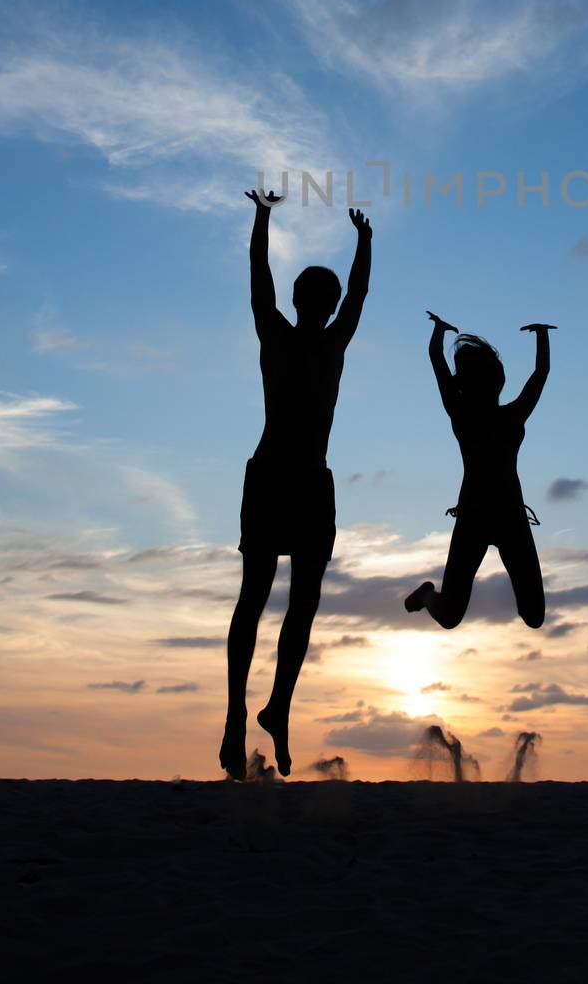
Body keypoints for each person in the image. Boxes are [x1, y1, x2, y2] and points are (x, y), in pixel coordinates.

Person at [219, 192, 372, 779]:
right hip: (296, 477)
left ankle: (263, 710)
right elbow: (354, 294)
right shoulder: (321, 341)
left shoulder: (286, 335)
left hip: (288, 479)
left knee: (262, 601)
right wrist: (364, 242)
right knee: (282, 603)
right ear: (324, 305)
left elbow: (259, 279)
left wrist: (262, 220)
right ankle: (254, 712)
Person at [404, 314, 554, 631]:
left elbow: (540, 374)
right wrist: (541, 336)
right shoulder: (469, 414)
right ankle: (428, 595)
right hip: (475, 516)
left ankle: (431, 596)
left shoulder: (495, 414)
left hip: (509, 517)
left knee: (534, 615)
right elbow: (540, 373)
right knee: (449, 615)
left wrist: (439, 332)